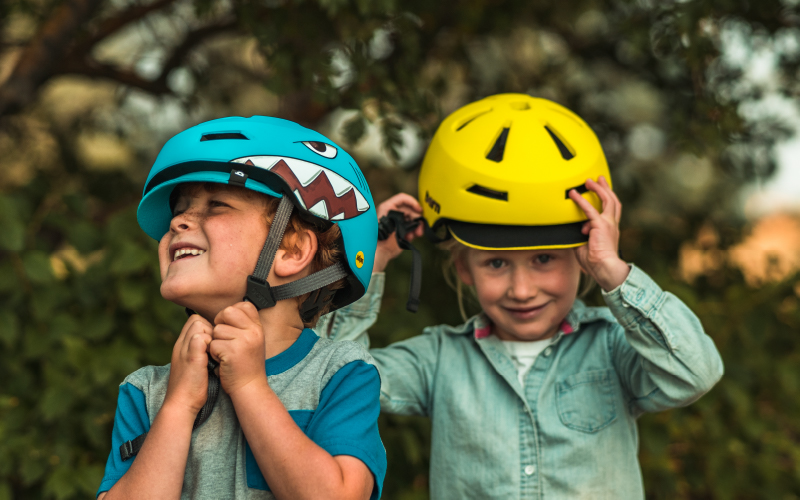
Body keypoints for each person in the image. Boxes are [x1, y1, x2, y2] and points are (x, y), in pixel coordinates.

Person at [317, 94, 724, 499]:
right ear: (464, 270)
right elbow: (331, 372)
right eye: (496, 264)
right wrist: (370, 263)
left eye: (544, 259)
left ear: (582, 259)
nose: (523, 290)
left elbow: (694, 372)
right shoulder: (439, 360)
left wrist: (613, 271)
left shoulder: (612, 349)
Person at [97, 116, 386, 500]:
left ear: (292, 251)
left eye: (215, 204)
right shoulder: (147, 391)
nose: (179, 221)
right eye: (179, 209)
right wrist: (178, 407)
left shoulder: (340, 373)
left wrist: (250, 387)